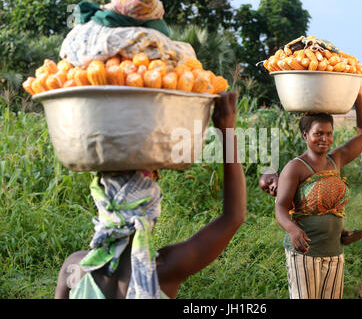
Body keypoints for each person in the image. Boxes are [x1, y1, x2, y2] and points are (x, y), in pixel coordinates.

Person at [54, 91, 246, 299]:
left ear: (102, 201)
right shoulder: (164, 271)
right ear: (150, 207)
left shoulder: (74, 269)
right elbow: (233, 218)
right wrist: (226, 131)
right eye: (156, 177)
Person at [275, 86, 362, 299]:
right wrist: (292, 229)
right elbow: (281, 207)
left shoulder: (336, 160)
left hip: (334, 252)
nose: (324, 139)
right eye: (318, 133)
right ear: (305, 135)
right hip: (305, 253)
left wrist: (357, 96)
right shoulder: (296, 167)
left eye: (329, 134)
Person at [259, 173, 362, 245]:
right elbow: (288, 216)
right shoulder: (279, 200)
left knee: (332, 213)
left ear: (279, 175)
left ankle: (344, 233)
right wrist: (294, 230)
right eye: (267, 190)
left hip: (315, 206)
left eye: (270, 182)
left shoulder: (293, 180)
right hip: (302, 218)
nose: (271, 188)